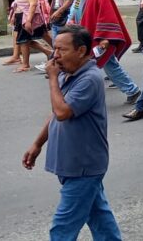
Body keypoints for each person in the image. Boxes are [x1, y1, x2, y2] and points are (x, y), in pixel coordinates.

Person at [21, 26, 123, 241]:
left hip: (83, 166)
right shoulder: (68, 74)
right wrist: (37, 144)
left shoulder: (89, 79)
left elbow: (62, 112)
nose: (55, 55)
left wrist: (51, 79)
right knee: (99, 218)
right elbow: (55, 113)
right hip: (72, 164)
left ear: (81, 51)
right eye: (54, 49)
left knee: (62, 228)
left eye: (61, 50)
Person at [77, 0, 141, 104]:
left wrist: (105, 40)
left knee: (101, 66)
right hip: (94, 39)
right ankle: (132, 90)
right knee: (109, 66)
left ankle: (132, 90)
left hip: (101, 40)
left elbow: (108, 18)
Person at [7, 0, 51, 71]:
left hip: (27, 16)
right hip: (20, 16)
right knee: (25, 40)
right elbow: (18, 3)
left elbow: (32, 5)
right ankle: (49, 52)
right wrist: (13, 16)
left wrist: (28, 20)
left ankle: (26, 64)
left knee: (25, 40)